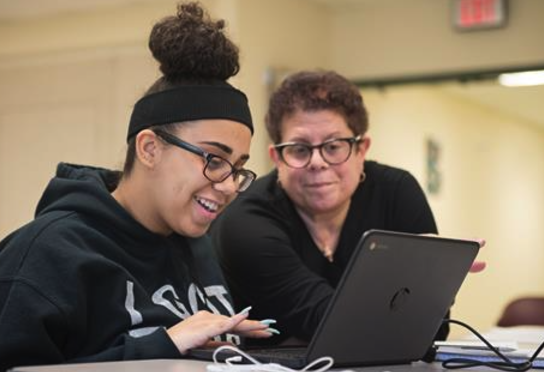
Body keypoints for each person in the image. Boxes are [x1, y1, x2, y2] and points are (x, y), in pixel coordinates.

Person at [0, 2, 276, 370]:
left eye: (238, 167)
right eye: (213, 159)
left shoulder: (197, 247)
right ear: (149, 149)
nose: (228, 186)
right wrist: (165, 344)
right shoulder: (46, 254)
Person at [211, 70, 484, 347]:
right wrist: (410, 287)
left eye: (333, 146)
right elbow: (335, 327)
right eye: (299, 149)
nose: (317, 162)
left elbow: (431, 334)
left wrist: (434, 281)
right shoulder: (246, 221)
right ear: (277, 158)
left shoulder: (396, 193)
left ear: (361, 149)